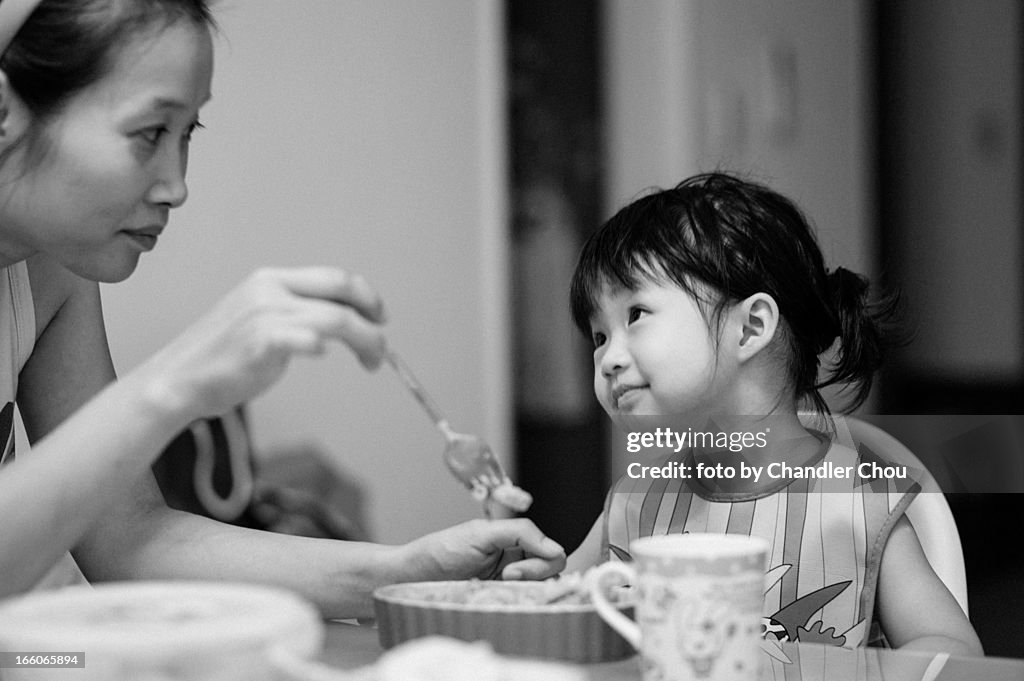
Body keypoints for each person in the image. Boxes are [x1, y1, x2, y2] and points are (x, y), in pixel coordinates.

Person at [0, 0, 564, 616]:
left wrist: (403, 574)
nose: (176, 186)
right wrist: (174, 384)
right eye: (150, 133)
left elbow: (127, 540)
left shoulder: (52, 269)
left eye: (187, 134)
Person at [564, 173, 982, 655]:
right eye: (598, 336)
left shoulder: (857, 503)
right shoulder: (635, 503)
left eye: (634, 314)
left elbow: (954, 650)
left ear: (750, 328)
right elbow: (548, 604)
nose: (608, 359)